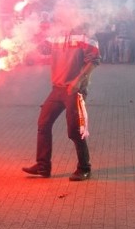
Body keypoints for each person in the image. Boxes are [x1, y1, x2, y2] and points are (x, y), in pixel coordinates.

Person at [22, 23, 101, 181]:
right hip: (57, 88)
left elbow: (95, 60)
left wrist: (78, 81)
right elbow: (41, 49)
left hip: (74, 90)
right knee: (43, 123)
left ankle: (84, 168)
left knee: (74, 130)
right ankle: (43, 166)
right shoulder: (56, 33)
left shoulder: (86, 34)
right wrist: (25, 46)